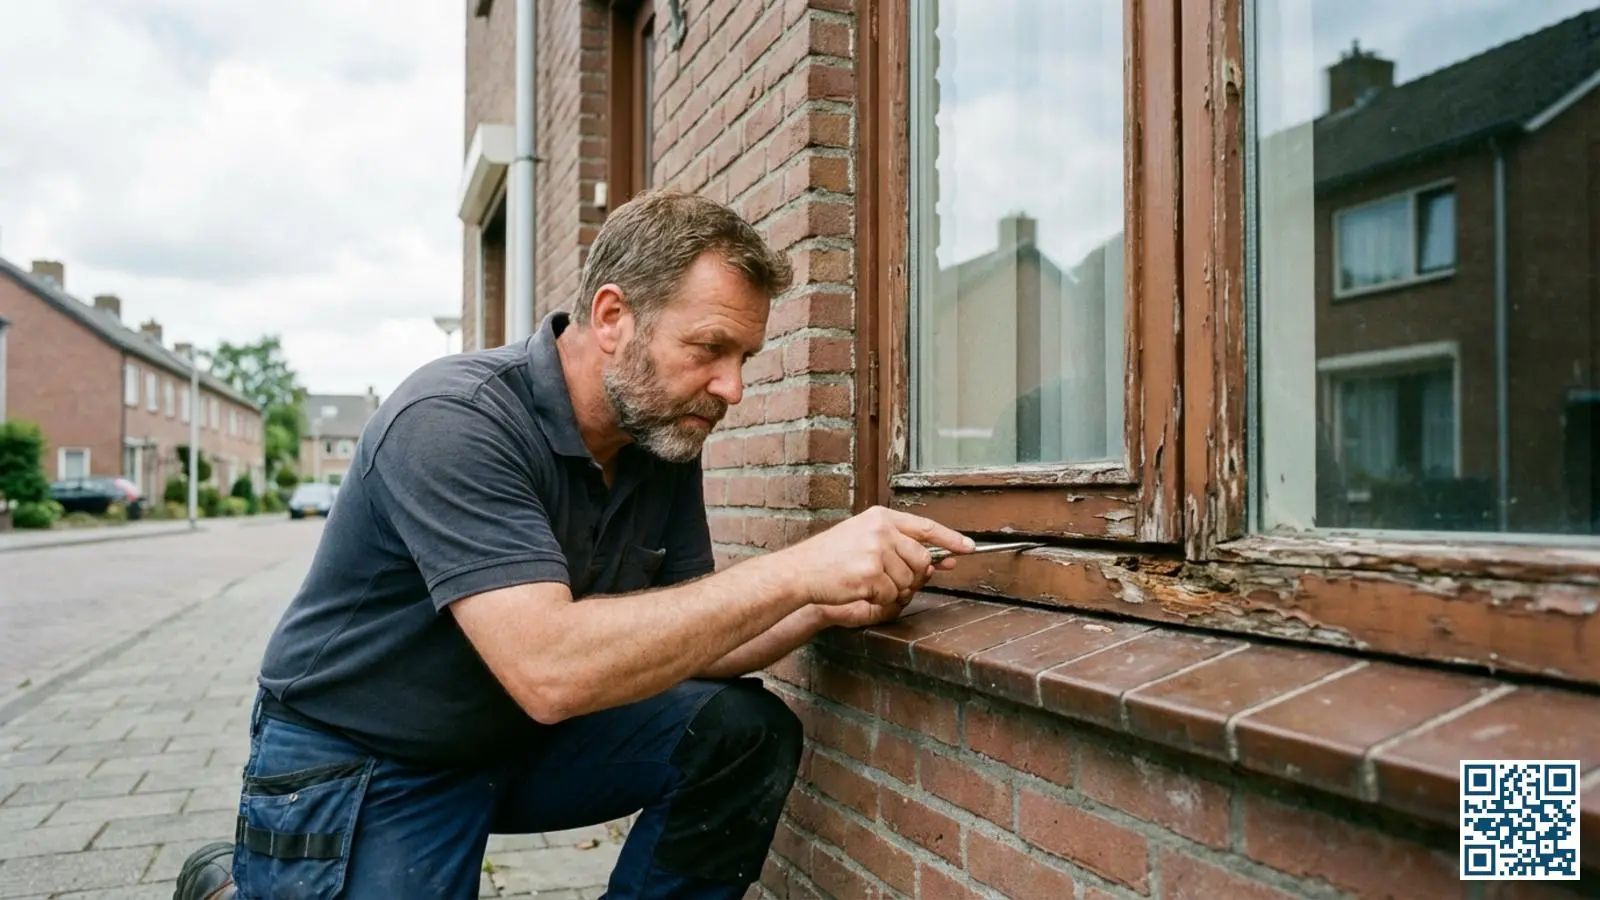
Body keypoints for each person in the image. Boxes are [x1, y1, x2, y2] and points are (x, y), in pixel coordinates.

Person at [172, 190, 975, 900]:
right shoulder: (452, 420)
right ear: (613, 318)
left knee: (738, 732)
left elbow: (694, 641)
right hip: (365, 757)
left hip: (515, 737)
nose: (732, 388)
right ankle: (240, 885)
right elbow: (548, 669)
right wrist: (798, 568)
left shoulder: (658, 434)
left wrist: (827, 601)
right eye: (710, 349)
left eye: (744, 359)